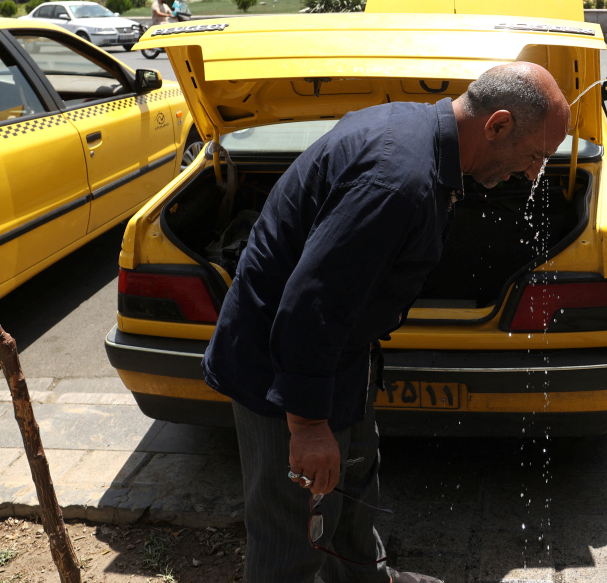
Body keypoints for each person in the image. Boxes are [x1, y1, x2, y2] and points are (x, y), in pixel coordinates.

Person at [203, 62, 571, 583]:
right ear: (498, 125)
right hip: (279, 373)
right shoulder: (400, 180)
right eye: (535, 156)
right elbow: (313, 301)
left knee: (352, 497)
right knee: (293, 535)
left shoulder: (422, 137)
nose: (534, 174)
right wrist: (307, 425)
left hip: (335, 360)